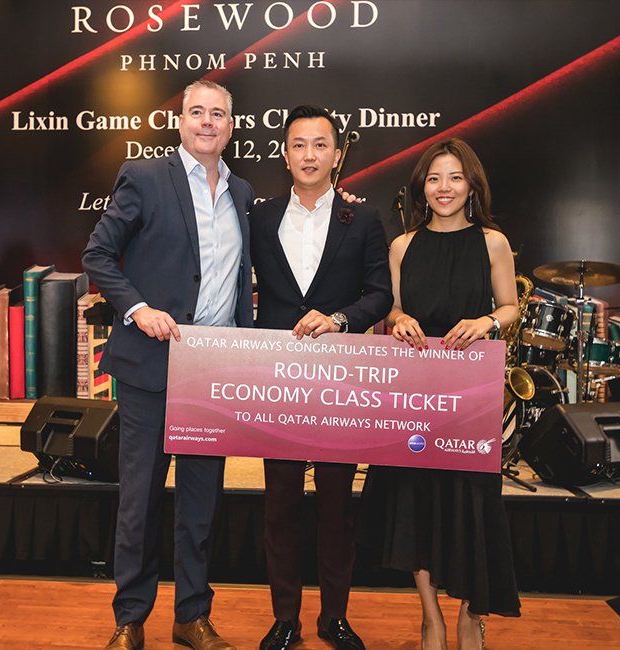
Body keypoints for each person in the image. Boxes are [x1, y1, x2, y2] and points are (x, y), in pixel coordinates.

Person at [82, 79, 252, 650]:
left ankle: (192, 617)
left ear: (231, 127)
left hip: (214, 370)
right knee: (141, 498)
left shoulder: (242, 193)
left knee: (202, 502)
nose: (207, 121)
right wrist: (137, 309)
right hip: (151, 364)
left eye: (218, 114)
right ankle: (130, 618)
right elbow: (97, 254)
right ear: (181, 122)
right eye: (197, 112)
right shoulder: (145, 177)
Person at [358, 139, 521, 650]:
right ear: (421, 188)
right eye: (434, 178)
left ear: (471, 185)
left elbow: (511, 306)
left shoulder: (492, 242)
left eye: (454, 177)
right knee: (417, 506)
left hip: (471, 395)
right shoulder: (402, 246)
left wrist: (486, 321)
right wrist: (399, 319)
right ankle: (430, 618)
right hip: (416, 395)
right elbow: (391, 309)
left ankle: (472, 613)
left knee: (473, 504)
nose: (443, 188)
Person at [251, 105, 393, 650]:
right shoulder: (260, 218)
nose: (309, 154)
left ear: (337, 154)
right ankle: (284, 618)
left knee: (337, 508)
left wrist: (339, 319)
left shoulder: (364, 218)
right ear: (285, 155)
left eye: (320, 144)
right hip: (277, 381)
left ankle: (334, 617)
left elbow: (379, 294)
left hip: (340, 383)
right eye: (298, 144)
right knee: (280, 506)